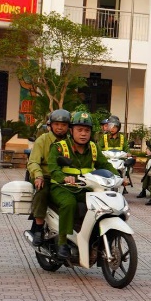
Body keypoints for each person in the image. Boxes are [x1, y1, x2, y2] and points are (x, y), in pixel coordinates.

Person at [46, 111, 103, 261]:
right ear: (71, 131)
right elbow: (53, 168)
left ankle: (92, 239)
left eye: (87, 130)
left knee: (100, 205)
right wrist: (64, 178)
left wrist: (119, 177)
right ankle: (62, 242)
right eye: (79, 130)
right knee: (69, 203)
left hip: (84, 188)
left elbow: (106, 165)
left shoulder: (94, 148)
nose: (83, 134)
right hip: (61, 188)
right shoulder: (59, 147)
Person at [25, 110, 72, 244]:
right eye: (56, 124)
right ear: (50, 125)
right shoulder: (43, 140)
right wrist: (38, 176)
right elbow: (33, 161)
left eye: (63, 125)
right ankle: (39, 228)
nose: (60, 128)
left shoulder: (71, 141)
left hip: (65, 177)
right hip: (44, 175)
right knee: (42, 193)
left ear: (68, 126)